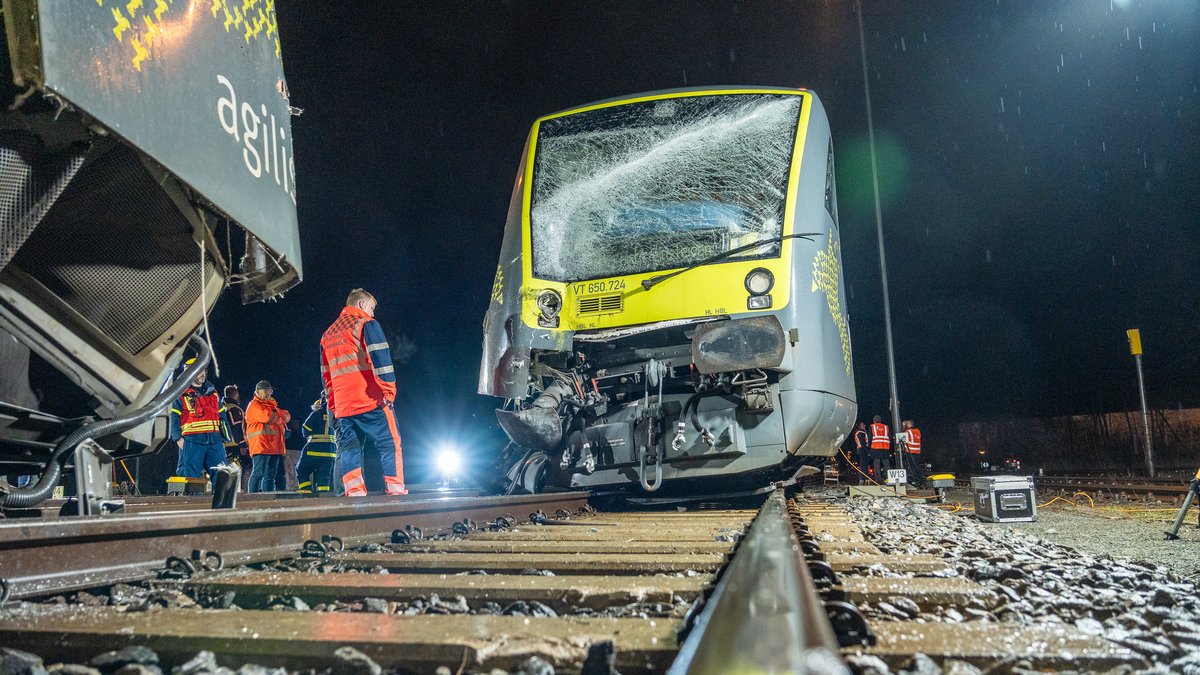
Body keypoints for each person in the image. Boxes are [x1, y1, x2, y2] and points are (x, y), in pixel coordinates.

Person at [320, 288, 406, 496]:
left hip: (343, 406)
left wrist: (333, 404)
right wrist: (389, 392)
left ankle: (355, 492)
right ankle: (395, 490)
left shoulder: (327, 335)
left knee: (349, 448)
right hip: (370, 400)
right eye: (371, 307)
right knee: (389, 443)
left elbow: (326, 375)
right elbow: (381, 361)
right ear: (360, 305)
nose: (373, 313)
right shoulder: (366, 324)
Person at [169, 359, 225, 490]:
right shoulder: (180, 393)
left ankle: (223, 506)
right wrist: (178, 438)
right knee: (191, 479)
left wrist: (224, 436)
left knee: (222, 475)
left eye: (204, 371)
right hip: (192, 441)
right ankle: (193, 506)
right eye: (199, 371)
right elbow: (173, 416)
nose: (203, 374)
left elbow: (222, 416)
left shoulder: (213, 392)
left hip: (214, 441)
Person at [245, 380, 290, 492]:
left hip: (273, 447)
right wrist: (279, 416)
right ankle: (252, 499)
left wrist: (278, 415)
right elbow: (268, 417)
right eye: (266, 390)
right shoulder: (254, 406)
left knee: (270, 475)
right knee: (258, 473)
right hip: (261, 446)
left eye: (270, 391)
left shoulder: (272, 406)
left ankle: (267, 498)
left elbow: (287, 416)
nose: (269, 393)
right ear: (257, 392)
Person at [296, 394, 337, 495]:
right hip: (330, 453)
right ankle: (323, 498)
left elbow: (305, 429)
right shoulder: (338, 413)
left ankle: (306, 492)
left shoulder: (318, 413)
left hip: (312, 451)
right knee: (324, 479)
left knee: (301, 469)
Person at [869, 414, 891, 481]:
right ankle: (889, 478)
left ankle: (878, 480)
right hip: (885, 448)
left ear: (874, 421)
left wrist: (869, 448)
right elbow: (889, 437)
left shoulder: (872, 426)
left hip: (875, 448)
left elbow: (870, 438)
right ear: (880, 421)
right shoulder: (886, 427)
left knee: (876, 465)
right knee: (886, 464)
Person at [902, 419, 924, 486]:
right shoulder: (918, 431)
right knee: (916, 466)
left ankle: (916, 480)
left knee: (912, 467)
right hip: (917, 451)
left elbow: (903, 441)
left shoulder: (907, 432)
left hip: (910, 451)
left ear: (909, 424)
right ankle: (919, 479)